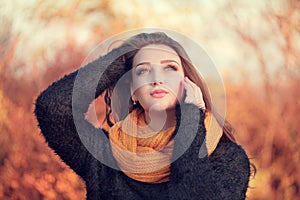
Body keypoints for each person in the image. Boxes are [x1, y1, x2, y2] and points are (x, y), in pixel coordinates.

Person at [35, 32, 251, 200]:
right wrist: (119, 60)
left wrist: (191, 117)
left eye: (170, 68)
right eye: (143, 71)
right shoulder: (105, 157)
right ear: (133, 91)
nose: (157, 78)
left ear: (188, 82)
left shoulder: (226, 157)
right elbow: (52, 108)